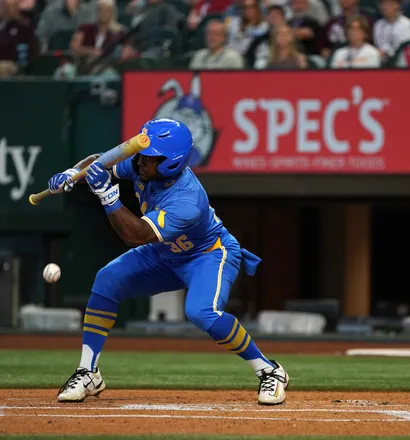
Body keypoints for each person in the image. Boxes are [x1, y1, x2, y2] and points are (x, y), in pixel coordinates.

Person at [49, 119, 289, 406]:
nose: (141, 161)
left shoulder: (187, 200)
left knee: (202, 313)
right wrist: (74, 172)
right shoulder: (141, 164)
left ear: (170, 164)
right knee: (106, 279)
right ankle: (88, 372)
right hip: (165, 252)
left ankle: (269, 370)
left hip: (206, 254)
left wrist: (107, 196)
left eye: (151, 158)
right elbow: (99, 162)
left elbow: (136, 236)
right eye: (143, 153)